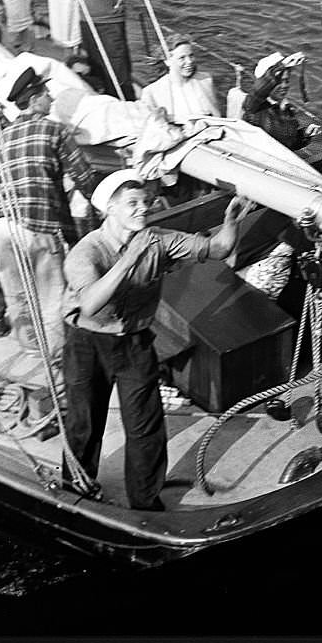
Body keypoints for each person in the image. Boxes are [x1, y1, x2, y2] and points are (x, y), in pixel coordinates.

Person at [61, 170, 250, 510]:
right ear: (110, 209)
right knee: (84, 422)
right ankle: (75, 492)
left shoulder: (159, 240)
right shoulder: (86, 251)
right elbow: (90, 304)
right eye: (132, 203)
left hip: (134, 341)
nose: (143, 209)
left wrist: (231, 221)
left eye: (146, 202)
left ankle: (145, 503)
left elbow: (218, 248)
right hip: (87, 343)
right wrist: (131, 257)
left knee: (145, 425)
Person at [0, 66, 100, 355]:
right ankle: (57, 359)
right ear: (35, 99)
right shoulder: (54, 129)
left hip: (1, 225)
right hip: (34, 224)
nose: (50, 97)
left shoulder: (4, 136)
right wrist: (104, 208)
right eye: (46, 93)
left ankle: (29, 348)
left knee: (18, 294)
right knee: (51, 298)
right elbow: (84, 178)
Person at [242, 50, 319, 150]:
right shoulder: (253, 106)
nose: (284, 86)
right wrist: (282, 65)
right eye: (279, 81)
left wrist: (305, 134)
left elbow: (290, 145)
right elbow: (258, 91)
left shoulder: (287, 110)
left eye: (286, 81)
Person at [140, 39, 220, 122]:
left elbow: (217, 116)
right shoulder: (151, 92)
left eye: (191, 56)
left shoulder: (205, 80)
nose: (189, 61)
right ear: (167, 61)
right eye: (182, 58)